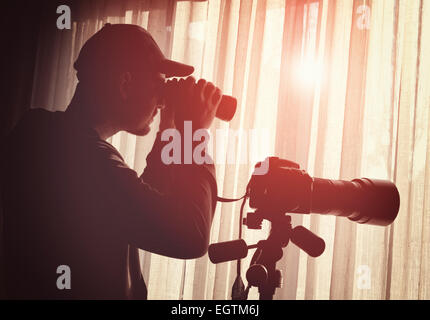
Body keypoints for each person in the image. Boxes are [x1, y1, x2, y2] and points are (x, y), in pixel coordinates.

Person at [1, 23, 221, 299]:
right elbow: (190, 236)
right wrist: (194, 133)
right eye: (158, 85)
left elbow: (138, 207)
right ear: (125, 84)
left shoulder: (53, 140)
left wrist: (169, 130)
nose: (162, 101)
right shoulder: (82, 155)